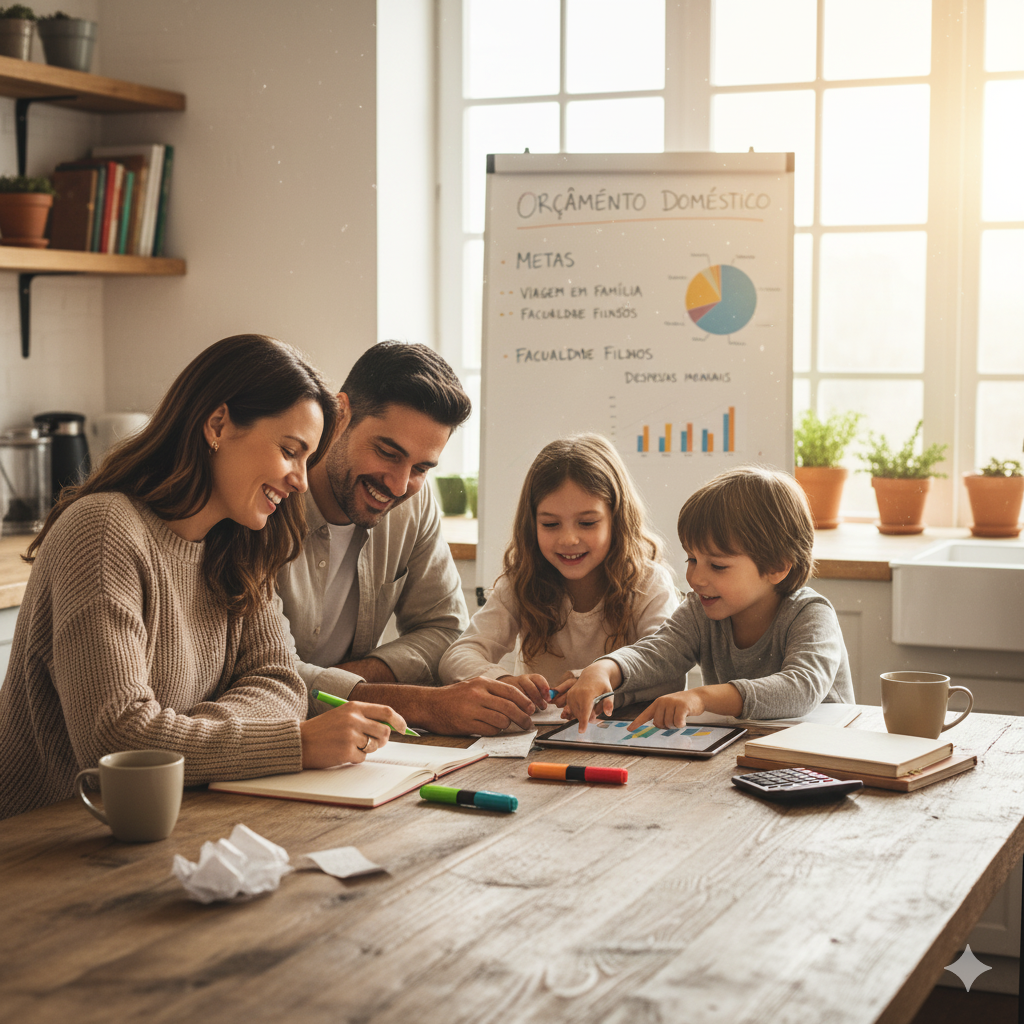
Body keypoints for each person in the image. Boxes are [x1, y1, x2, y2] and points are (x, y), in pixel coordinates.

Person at [0, 334, 406, 821]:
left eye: (307, 460)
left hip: (176, 817)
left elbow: (281, 683)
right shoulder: (103, 530)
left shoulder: (240, 543)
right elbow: (119, 740)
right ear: (218, 424)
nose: (300, 480)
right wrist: (291, 744)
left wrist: (180, 735)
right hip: (49, 835)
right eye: (289, 450)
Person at [277, 340, 540, 736]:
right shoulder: (267, 500)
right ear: (340, 414)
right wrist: (419, 703)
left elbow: (445, 630)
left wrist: (350, 679)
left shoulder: (413, 503)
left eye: (421, 468)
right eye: (388, 452)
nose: (399, 485)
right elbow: (264, 672)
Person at [562, 466, 854, 732]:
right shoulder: (700, 610)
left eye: (717, 565)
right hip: (747, 748)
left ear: (777, 567)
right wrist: (604, 669)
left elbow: (800, 689)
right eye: (691, 559)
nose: (695, 578)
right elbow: (657, 653)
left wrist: (702, 697)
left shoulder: (810, 614)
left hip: (826, 755)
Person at [438, 434, 677, 714]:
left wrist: (600, 686)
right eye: (550, 524)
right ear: (532, 524)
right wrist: (501, 681)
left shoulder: (649, 583)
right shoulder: (521, 583)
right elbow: (457, 656)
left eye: (587, 522)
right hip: (542, 734)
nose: (568, 539)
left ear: (617, 518)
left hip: (624, 733)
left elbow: (669, 671)